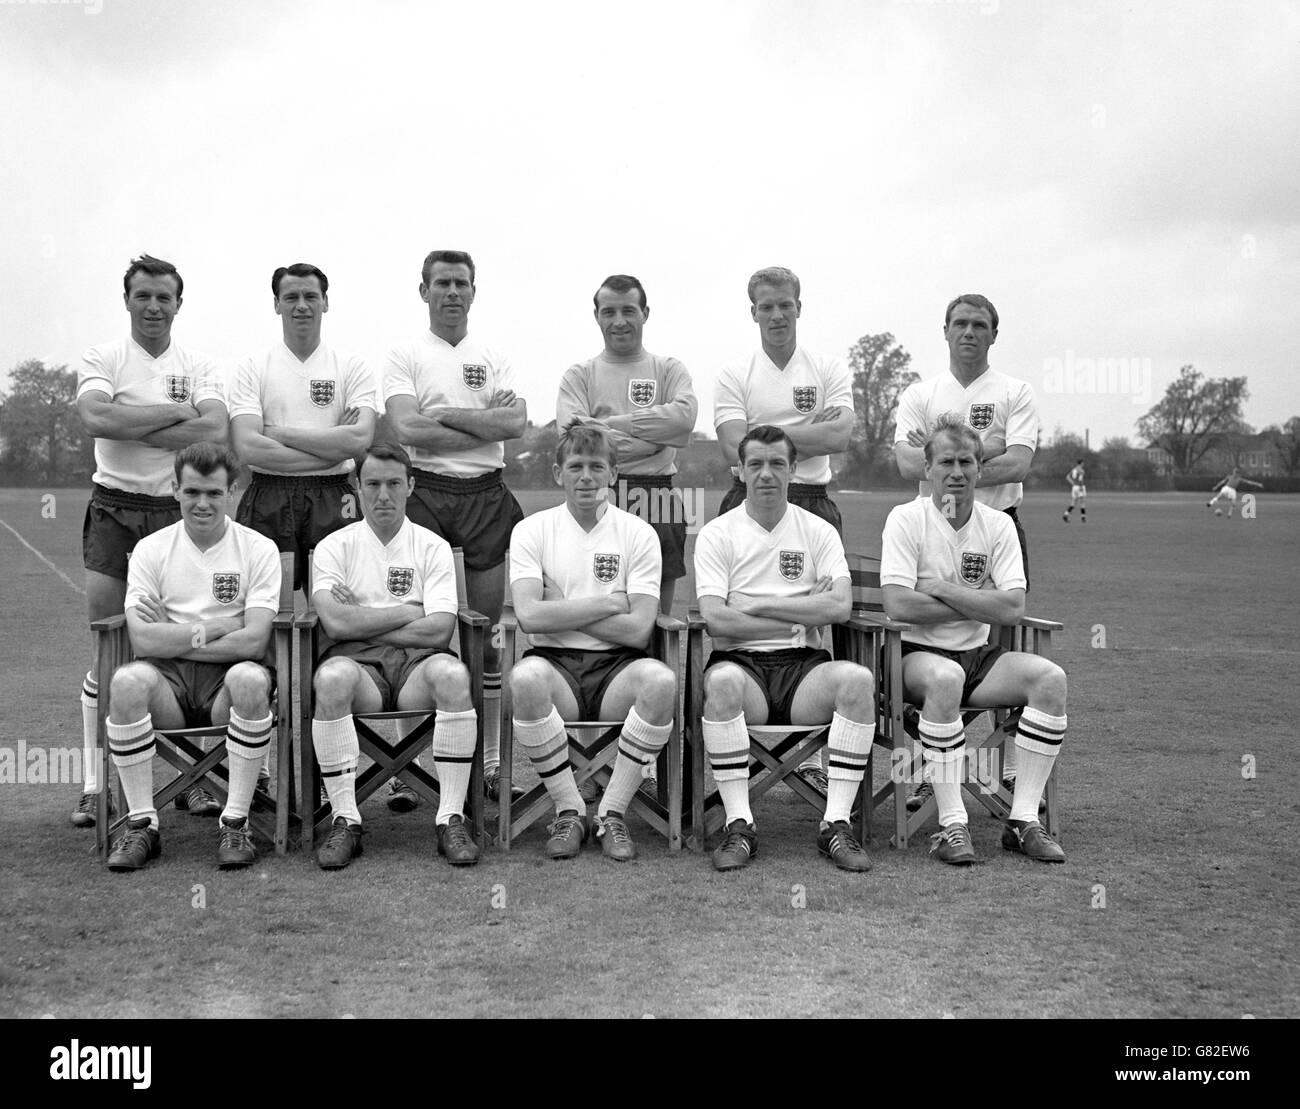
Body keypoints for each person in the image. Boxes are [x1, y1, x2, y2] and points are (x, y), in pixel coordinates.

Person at [73, 255, 229, 828]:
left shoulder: (201, 363)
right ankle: (95, 786)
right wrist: (172, 414)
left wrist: (129, 415)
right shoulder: (105, 357)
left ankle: (188, 780)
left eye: (165, 298)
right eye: (144, 296)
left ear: (179, 304)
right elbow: (95, 417)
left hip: (177, 514)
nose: (154, 307)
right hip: (115, 507)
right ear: (128, 300)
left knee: (176, 644)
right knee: (110, 644)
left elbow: (214, 428)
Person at [880, 414, 1067, 867]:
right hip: (913, 655)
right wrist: (980, 599)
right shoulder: (906, 519)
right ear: (927, 469)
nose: (957, 471)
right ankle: (952, 825)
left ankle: (1022, 820)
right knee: (944, 679)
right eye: (946, 461)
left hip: (978, 656)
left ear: (981, 470)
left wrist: (943, 589)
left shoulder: (998, 525)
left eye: (967, 461)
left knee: (1050, 679)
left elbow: (1012, 608)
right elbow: (899, 606)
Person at [694, 425, 875, 874]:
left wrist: (758, 604)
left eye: (777, 464)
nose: (766, 474)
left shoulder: (818, 531)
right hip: (740, 664)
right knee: (720, 684)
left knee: (858, 681)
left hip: (803, 668)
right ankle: (739, 823)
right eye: (755, 464)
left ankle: (835, 823)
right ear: (740, 471)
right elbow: (717, 620)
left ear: (794, 469)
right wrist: (802, 609)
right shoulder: (717, 533)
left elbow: (839, 605)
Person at [383, 249, 526, 807]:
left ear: (474, 291)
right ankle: (401, 765)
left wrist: (442, 416)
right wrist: (480, 424)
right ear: (423, 291)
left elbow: (514, 422)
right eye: (441, 283)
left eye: (461, 283)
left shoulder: (493, 355)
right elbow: (404, 425)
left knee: (487, 639)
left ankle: (489, 763)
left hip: (485, 493)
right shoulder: (405, 354)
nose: (451, 292)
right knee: (420, 634)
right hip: (426, 492)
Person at [103, 442, 280, 871]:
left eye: (214, 493)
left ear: (232, 492)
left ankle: (235, 819)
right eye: (193, 492)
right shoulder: (150, 549)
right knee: (125, 682)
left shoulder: (258, 548)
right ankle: (142, 823)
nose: (203, 503)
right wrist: (220, 625)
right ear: (175, 489)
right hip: (167, 684)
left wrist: (175, 632)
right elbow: (143, 642)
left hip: (227, 680)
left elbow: (255, 642)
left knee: (253, 679)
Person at [712, 266, 855, 795]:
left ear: (800, 306)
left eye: (785, 305)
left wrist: (764, 440)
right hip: (746, 496)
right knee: (735, 606)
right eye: (766, 306)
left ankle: (813, 749)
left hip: (814, 498)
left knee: (820, 617)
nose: (777, 314)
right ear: (753, 312)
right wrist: (787, 443)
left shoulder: (828, 368)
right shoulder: (735, 372)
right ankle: (747, 752)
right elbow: (733, 450)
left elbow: (840, 434)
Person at [507, 423, 678, 862]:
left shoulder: (639, 533)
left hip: (618, 668)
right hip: (553, 665)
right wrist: (608, 603)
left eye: (596, 467)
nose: (586, 476)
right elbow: (529, 617)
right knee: (524, 680)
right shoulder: (532, 530)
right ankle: (569, 809)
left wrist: (561, 607)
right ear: (557, 473)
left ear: (613, 474)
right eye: (576, 466)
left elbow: (639, 629)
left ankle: (612, 813)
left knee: (660, 682)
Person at [893, 292, 1039, 807]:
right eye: (960, 323)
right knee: (937, 654)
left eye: (980, 324)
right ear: (946, 330)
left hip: (996, 529)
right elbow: (906, 465)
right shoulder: (921, 392)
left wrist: (944, 460)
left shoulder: (1015, 391)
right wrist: (978, 455)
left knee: (995, 655)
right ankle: (926, 770)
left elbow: (1019, 464)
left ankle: (1011, 772)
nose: (969, 332)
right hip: (931, 534)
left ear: (994, 334)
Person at [307, 445, 480, 870]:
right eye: (373, 484)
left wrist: (361, 615)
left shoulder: (433, 546)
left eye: (393, 484)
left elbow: (440, 628)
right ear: (357, 487)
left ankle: (451, 816)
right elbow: (333, 623)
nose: (383, 495)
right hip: (357, 666)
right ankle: (345, 819)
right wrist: (408, 611)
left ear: (410, 486)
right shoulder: (333, 546)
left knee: (455, 677)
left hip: (419, 664)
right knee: (329, 681)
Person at [556, 273, 698, 615]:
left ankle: (658, 666)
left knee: (656, 614)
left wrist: (605, 426)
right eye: (609, 312)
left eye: (628, 311)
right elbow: (575, 437)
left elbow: (682, 419)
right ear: (597, 316)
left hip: (658, 497)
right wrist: (654, 441)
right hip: (599, 495)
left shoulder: (668, 369)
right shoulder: (579, 375)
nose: (619, 321)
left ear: (645, 313)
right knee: (596, 595)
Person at [229, 262, 376, 589]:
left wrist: (278, 433)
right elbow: (247, 446)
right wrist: (332, 447)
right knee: (263, 610)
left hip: (334, 495)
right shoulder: (251, 367)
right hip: (268, 494)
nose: (301, 305)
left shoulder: (353, 367)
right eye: (291, 296)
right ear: (277, 304)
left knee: (333, 611)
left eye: (311, 296)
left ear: (326, 302)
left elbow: (360, 439)